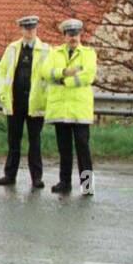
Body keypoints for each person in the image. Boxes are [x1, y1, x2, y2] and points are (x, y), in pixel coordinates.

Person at [0, 16, 51, 189]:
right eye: (26, 29)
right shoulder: (12, 48)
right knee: (13, 141)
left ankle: (36, 178)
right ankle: (9, 175)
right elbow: (2, 71)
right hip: (15, 101)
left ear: (36, 29)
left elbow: (49, 76)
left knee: (35, 142)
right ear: (21, 30)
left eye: (32, 29)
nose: (29, 32)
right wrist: (3, 94)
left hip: (35, 102)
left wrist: (46, 98)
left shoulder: (46, 50)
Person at [43, 19, 97, 196]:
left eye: (75, 34)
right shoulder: (54, 53)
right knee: (64, 150)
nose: (73, 37)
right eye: (69, 34)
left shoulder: (88, 53)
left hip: (80, 110)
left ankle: (87, 186)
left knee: (83, 150)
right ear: (64, 35)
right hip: (60, 110)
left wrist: (63, 81)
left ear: (80, 35)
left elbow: (87, 75)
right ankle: (64, 182)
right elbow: (45, 72)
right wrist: (66, 72)